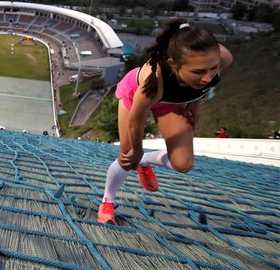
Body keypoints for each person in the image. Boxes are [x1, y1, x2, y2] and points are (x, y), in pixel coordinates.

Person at [98, 18, 232, 224]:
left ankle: (145, 162)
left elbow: (209, 79)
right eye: (198, 72)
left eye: (213, 68)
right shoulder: (154, 81)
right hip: (136, 97)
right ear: (173, 65)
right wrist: (137, 149)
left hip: (170, 103)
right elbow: (136, 122)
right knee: (127, 158)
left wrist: (197, 100)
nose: (208, 77)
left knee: (183, 163)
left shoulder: (220, 58)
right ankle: (107, 200)